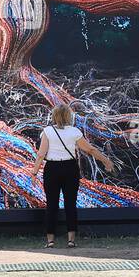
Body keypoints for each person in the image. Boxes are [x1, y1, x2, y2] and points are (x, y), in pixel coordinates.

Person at [29, 103, 114, 249]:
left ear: (54, 116)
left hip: (52, 169)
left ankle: (50, 241)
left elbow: (41, 154)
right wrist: (106, 161)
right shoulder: (74, 132)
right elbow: (90, 150)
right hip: (70, 169)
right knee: (70, 204)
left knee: (52, 204)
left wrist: (34, 173)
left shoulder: (48, 131)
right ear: (69, 116)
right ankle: (71, 240)